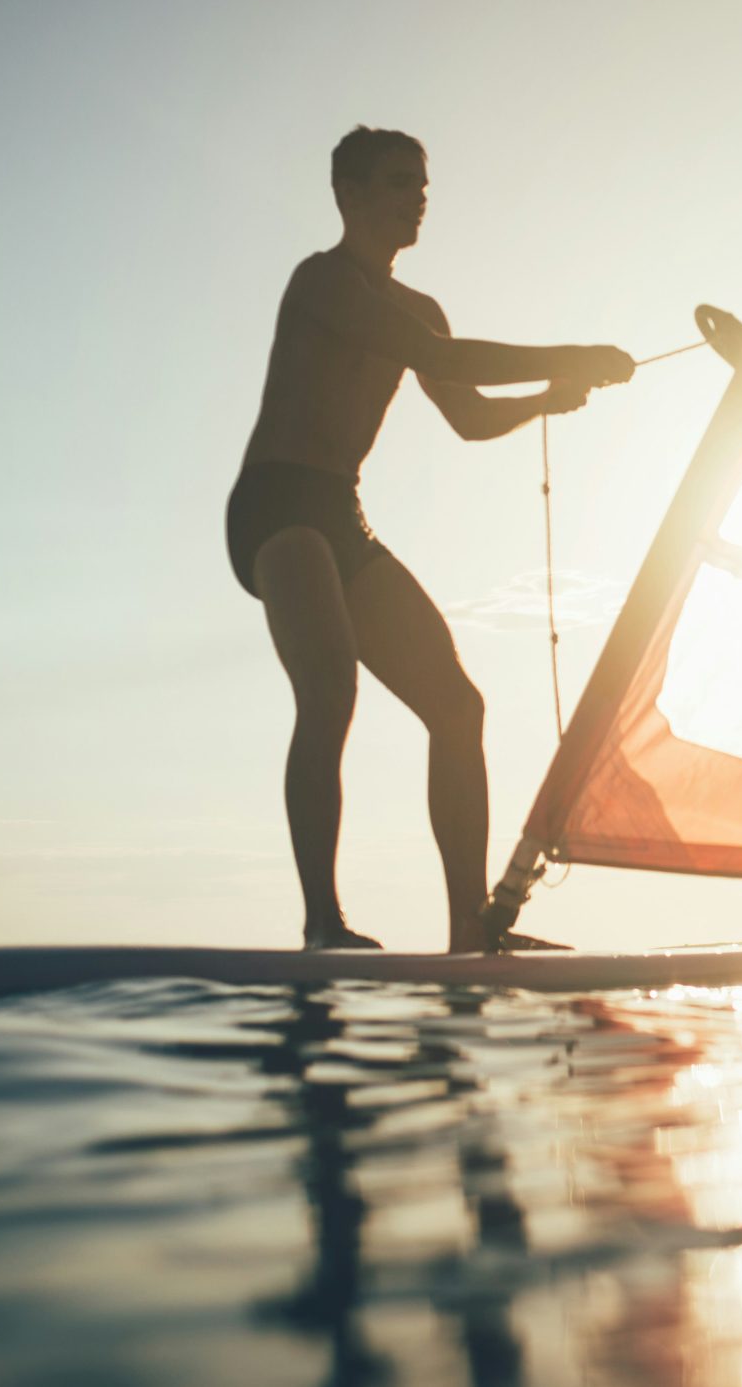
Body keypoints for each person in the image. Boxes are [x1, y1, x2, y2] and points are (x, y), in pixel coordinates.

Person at [227, 126, 632, 951]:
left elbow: (468, 414)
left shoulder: (419, 305)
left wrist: (550, 399)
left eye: (422, 184)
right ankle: (321, 922)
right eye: (396, 183)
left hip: (342, 514)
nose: (417, 197)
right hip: (276, 508)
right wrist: (575, 352)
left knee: (458, 705)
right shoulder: (322, 282)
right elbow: (438, 355)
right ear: (347, 193)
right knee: (331, 688)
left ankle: (468, 928)